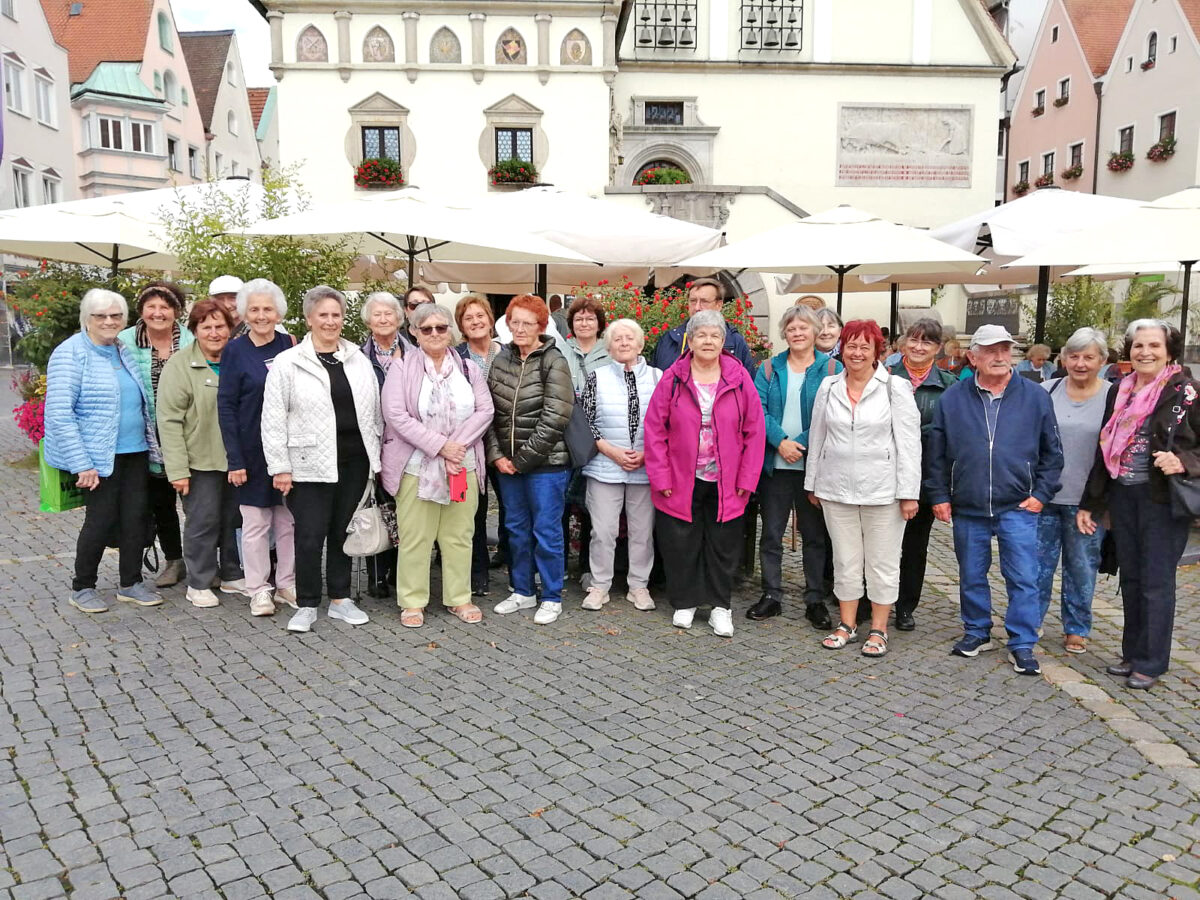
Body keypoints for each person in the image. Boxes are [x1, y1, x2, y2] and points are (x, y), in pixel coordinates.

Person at [925, 324, 1064, 676]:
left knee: (1023, 576)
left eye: (1005, 349)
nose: (1000, 356)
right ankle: (976, 631)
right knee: (971, 573)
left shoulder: (1035, 396)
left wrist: (1041, 495)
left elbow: (1053, 453)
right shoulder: (953, 398)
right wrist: (939, 494)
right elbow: (936, 453)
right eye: (990, 350)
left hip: (1018, 504)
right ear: (973, 357)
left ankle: (1021, 643)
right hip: (968, 504)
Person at [1079, 319, 1200, 690]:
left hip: (1162, 499)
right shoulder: (1121, 390)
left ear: (1169, 351)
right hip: (1123, 495)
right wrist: (1091, 504)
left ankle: (1151, 661)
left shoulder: (1186, 391)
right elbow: (1103, 449)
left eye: (1154, 346)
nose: (1145, 352)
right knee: (1130, 578)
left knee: (1155, 582)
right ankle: (1131, 653)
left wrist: (1183, 462)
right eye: (1138, 346)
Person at [262, 286, 382, 633]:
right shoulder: (289, 361)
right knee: (310, 535)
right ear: (309, 318)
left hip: (354, 461)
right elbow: (272, 418)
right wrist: (280, 467)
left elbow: (373, 413)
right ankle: (308, 602)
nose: (330, 321)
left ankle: (341, 599)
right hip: (308, 462)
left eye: (336, 315)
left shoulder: (357, 358)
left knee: (344, 532)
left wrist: (375, 458)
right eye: (323, 315)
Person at [644, 310, 766, 637]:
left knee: (724, 545)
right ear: (691, 340)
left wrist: (747, 480)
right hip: (681, 477)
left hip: (728, 480)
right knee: (680, 542)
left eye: (715, 335)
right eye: (702, 335)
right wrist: (661, 477)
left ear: (724, 342)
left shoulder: (739, 377)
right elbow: (654, 429)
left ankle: (720, 606)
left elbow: (755, 431)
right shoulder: (674, 377)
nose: (708, 341)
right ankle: (685, 601)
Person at [804, 320, 922, 657]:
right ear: (842, 349)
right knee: (844, 561)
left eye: (864, 347)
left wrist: (909, 493)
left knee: (882, 563)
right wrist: (812, 483)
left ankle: (879, 628)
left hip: (883, 492)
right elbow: (818, 436)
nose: (856, 353)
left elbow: (909, 444)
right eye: (851, 345)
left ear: (876, 352)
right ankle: (847, 624)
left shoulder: (894, 387)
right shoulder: (829, 386)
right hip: (836, 488)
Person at [45, 289, 163, 613]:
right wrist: (81, 463)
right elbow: (58, 413)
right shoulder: (70, 353)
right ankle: (82, 586)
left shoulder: (122, 350)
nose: (109, 321)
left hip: (134, 451)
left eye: (116, 316)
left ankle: (130, 582)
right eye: (101, 316)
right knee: (100, 520)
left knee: (135, 518)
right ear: (87, 318)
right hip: (97, 456)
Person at [381, 304, 494, 627]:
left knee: (459, 536)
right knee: (416, 537)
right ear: (414, 332)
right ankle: (413, 601)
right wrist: (440, 446)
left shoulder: (468, 369)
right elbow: (396, 416)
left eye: (440, 328)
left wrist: (455, 446)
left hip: (463, 465)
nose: (434, 334)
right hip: (417, 466)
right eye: (426, 328)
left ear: (451, 332)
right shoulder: (400, 369)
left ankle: (459, 597)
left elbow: (485, 411)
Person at [486, 295, 575, 625]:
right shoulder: (501, 360)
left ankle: (551, 595)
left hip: (547, 465)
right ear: (507, 324)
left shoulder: (554, 360)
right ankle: (522, 590)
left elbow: (556, 416)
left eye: (528, 322)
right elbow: (488, 411)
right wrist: (497, 456)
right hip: (507, 465)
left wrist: (521, 461)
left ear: (541, 325)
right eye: (515, 322)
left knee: (547, 531)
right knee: (515, 529)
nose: (520, 328)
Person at [753, 305, 842, 630]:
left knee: (815, 537)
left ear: (816, 331)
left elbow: (833, 411)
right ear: (784, 332)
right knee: (772, 535)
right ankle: (771, 595)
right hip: (775, 466)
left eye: (804, 327)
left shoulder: (831, 367)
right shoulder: (768, 368)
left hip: (814, 467)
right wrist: (780, 442)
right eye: (792, 327)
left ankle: (815, 598)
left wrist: (799, 443)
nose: (798, 332)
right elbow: (757, 410)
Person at [157, 300, 247, 609]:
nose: (214, 332)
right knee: (203, 521)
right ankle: (199, 581)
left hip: (237, 460)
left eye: (220, 325)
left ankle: (232, 574)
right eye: (205, 326)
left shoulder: (238, 358)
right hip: (199, 460)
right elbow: (168, 421)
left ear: (230, 328)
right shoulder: (180, 365)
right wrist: (177, 470)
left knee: (234, 520)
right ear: (194, 330)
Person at [218, 278, 298, 617]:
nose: (262, 315)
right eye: (254, 309)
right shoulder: (235, 350)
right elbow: (226, 405)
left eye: (267, 308)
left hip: (290, 450)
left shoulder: (292, 345)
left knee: (288, 521)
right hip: (251, 451)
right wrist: (235, 459)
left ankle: (287, 583)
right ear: (244, 313)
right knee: (254, 524)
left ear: (278, 312)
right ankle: (258, 589)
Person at [1035, 328, 1113, 655]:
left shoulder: (1115, 397)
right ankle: (1030, 622)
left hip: (1088, 502)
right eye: (1074, 356)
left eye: (1088, 357)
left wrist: (1099, 502)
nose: (1080, 363)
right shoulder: (1045, 390)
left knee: (1081, 567)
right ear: (1063, 358)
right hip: (1044, 497)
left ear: (1102, 361)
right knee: (1036, 566)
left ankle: (1076, 628)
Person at [579, 319, 662, 612]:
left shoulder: (658, 377)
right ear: (609, 346)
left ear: (640, 344)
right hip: (605, 464)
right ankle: (599, 585)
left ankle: (638, 586)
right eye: (617, 339)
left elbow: (666, 422)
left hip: (644, 466)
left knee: (642, 531)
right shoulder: (596, 377)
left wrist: (646, 453)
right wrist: (610, 450)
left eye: (630, 338)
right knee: (602, 531)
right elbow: (585, 422)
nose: (624, 343)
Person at [117, 281, 193, 589]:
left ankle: (206, 562)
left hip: (187, 430)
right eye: (152, 306)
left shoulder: (189, 340)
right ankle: (174, 560)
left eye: (165, 307)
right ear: (141, 311)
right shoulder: (123, 341)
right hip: (143, 433)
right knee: (161, 502)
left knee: (198, 503)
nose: (158, 313)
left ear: (176, 311)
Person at [889, 318, 959, 632]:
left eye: (927, 342)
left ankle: (905, 606)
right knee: (879, 543)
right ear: (904, 342)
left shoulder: (949, 385)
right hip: (885, 475)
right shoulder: (885, 377)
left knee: (915, 546)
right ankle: (870, 602)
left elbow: (953, 437)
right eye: (914, 340)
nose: (919, 347)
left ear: (938, 348)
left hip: (926, 478)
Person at [455, 294, 505, 595]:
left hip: (505, 442)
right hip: (470, 443)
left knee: (511, 510)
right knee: (473, 512)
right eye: (468, 318)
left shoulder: (508, 354)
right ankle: (477, 573)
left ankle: (513, 565)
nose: (475, 322)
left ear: (490, 318)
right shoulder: (455, 356)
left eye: (480, 315)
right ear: (461, 325)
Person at [359, 291, 406, 599]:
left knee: (404, 509)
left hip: (405, 442)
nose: (384, 318)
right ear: (368, 320)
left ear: (399, 318)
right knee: (375, 505)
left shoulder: (414, 352)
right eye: (377, 314)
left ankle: (402, 572)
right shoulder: (358, 356)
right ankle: (377, 574)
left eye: (389, 313)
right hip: (372, 440)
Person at [651, 278, 756, 374]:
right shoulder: (669, 339)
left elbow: (749, 389)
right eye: (693, 301)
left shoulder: (735, 341)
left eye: (704, 301)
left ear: (719, 305)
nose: (697, 307)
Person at [562, 295, 613, 394]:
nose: (584, 324)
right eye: (578, 319)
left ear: (599, 325)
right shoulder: (561, 353)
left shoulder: (611, 354)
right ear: (572, 325)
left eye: (590, 319)